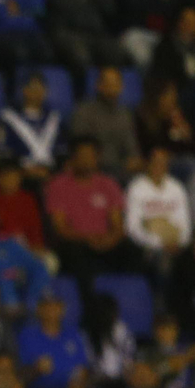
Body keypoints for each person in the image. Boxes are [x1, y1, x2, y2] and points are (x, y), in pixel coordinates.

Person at [45, 137, 135, 279]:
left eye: (90, 156)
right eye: (82, 156)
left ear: (97, 158)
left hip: (105, 241)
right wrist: (87, 238)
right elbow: (60, 227)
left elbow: (118, 225)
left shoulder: (108, 184)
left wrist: (109, 240)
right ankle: (90, 300)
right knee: (75, 254)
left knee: (132, 250)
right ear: (73, 158)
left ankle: (130, 297)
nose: (86, 161)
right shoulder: (58, 185)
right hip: (77, 242)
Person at [125, 146, 193, 265]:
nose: (160, 166)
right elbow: (133, 227)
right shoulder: (136, 188)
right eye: (156, 162)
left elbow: (185, 223)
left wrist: (179, 242)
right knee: (162, 261)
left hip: (176, 242)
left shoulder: (176, 187)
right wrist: (159, 243)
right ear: (148, 163)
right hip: (149, 245)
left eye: (164, 162)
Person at [70, 67, 141, 179]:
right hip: (93, 168)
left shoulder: (125, 114)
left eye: (116, 84)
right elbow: (80, 147)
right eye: (108, 84)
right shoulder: (84, 111)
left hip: (121, 169)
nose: (112, 88)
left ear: (121, 87)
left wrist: (133, 159)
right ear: (99, 85)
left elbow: (131, 147)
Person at [0, 72, 63, 177]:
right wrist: (23, 170)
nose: (37, 91)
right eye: (33, 87)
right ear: (24, 90)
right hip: (19, 175)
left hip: (50, 175)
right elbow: (4, 151)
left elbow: (61, 151)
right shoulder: (8, 118)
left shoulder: (54, 119)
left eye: (41, 87)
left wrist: (50, 171)